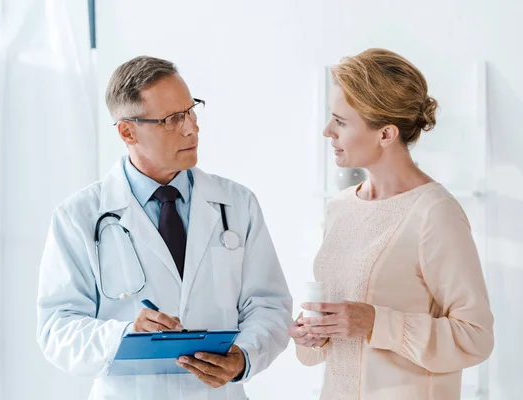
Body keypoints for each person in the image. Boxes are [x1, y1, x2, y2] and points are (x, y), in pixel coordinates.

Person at [37, 56, 292, 400]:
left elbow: (269, 305)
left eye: (191, 110)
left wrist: (243, 356)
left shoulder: (237, 203)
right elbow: (57, 329)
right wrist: (126, 334)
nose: (192, 128)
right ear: (127, 131)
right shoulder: (78, 216)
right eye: (172, 119)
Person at [289, 48, 494, 399]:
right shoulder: (340, 207)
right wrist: (313, 335)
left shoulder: (435, 213)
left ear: (386, 134)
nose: (327, 131)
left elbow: (476, 338)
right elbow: (330, 343)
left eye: (340, 121)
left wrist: (375, 322)